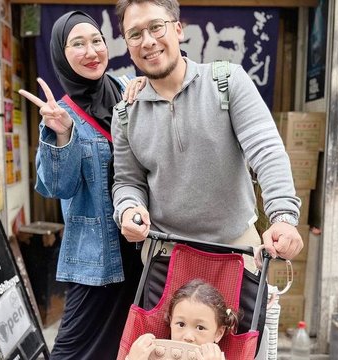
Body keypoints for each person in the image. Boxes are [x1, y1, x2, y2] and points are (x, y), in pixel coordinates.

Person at [111, 0, 303, 344]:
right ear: (127, 44)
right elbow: (127, 181)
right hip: (166, 258)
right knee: (165, 353)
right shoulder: (126, 112)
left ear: (178, 29)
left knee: (238, 350)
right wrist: (128, 208)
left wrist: (284, 216)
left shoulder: (227, 82)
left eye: (156, 27)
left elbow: (267, 150)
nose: (148, 41)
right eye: (135, 34)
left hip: (237, 254)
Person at [18, 11, 144, 359]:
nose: (92, 51)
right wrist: (63, 133)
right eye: (78, 44)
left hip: (145, 248)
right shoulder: (61, 114)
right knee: (74, 352)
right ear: (61, 52)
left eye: (97, 41)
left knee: (133, 345)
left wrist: (148, 87)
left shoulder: (127, 88)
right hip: (97, 259)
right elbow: (57, 186)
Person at [127, 279, 239, 360]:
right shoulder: (153, 354)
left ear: (218, 333)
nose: (188, 337)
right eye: (181, 324)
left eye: (200, 328)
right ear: (170, 322)